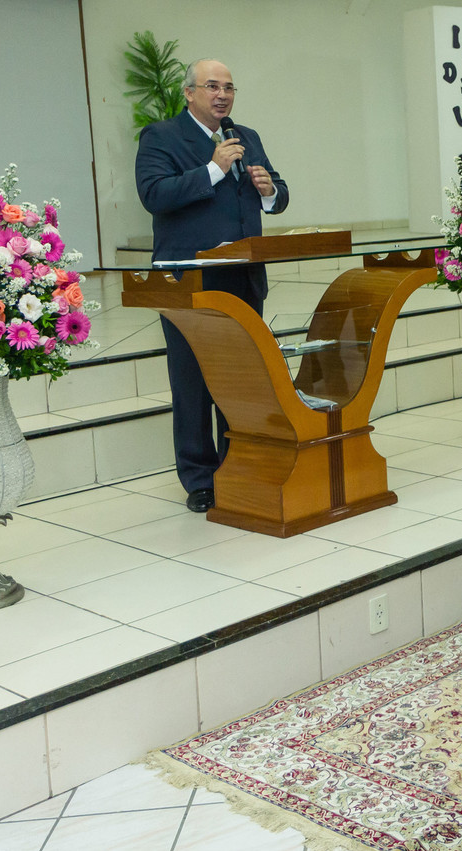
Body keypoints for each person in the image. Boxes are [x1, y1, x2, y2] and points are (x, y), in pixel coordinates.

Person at [136, 58, 290, 513]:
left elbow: (278, 193)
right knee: (193, 382)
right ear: (189, 93)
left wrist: (270, 191)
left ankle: (237, 462)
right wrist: (214, 170)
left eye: (229, 87)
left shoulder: (247, 137)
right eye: (212, 86)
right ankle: (199, 478)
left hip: (242, 276)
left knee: (241, 379)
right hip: (190, 281)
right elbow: (154, 195)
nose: (222, 95)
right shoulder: (161, 137)